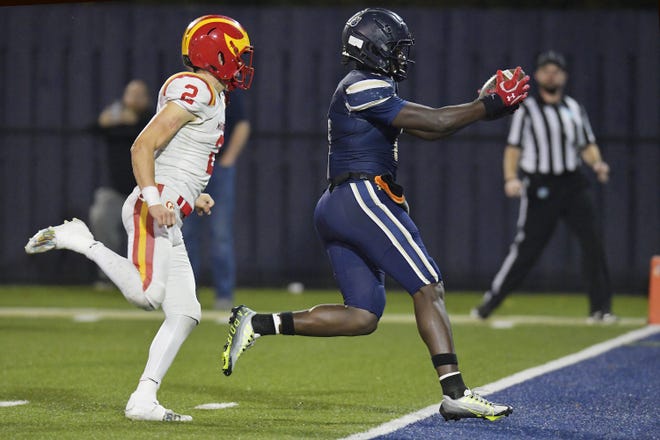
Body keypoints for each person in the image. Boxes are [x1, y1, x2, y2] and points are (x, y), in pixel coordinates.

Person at [221, 8, 529, 422]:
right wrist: (490, 105)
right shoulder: (360, 83)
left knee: (362, 315)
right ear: (372, 49)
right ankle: (455, 392)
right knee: (428, 285)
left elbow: (426, 128)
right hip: (361, 196)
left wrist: (481, 105)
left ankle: (257, 324)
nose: (400, 56)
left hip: (342, 201)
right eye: (394, 48)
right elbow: (435, 122)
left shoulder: (370, 86)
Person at [24, 14, 255, 422]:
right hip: (157, 206)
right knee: (147, 295)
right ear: (215, 53)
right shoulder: (197, 88)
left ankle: (143, 399)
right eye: (237, 54)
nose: (241, 63)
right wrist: (156, 199)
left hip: (171, 207)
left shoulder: (212, 94)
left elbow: (181, 156)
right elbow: (142, 146)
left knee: (185, 313)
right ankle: (82, 239)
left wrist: (191, 197)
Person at [471, 50, 615, 323]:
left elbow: (586, 145)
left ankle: (601, 308)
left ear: (564, 75)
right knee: (526, 249)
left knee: (593, 244)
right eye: (546, 70)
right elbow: (513, 148)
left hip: (572, 183)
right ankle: (490, 303)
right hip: (540, 185)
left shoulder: (574, 108)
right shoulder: (527, 110)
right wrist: (511, 178)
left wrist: (597, 164)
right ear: (537, 76)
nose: (551, 74)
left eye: (556, 70)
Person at [182, 89, 250, 311]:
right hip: (191, 169)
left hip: (217, 169)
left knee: (220, 233)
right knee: (185, 234)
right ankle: (187, 294)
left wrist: (228, 159)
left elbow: (242, 124)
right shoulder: (189, 91)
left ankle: (224, 294)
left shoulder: (226, 92)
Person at [90, 79, 153, 289]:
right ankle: (108, 273)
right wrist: (110, 122)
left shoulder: (152, 118)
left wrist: (121, 123)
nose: (134, 99)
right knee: (100, 216)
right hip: (116, 190)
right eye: (130, 94)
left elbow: (141, 132)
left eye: (138, 94)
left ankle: (147, 276)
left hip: (146, 190)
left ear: (146, 99)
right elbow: (94, 128)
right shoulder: (116, 118)